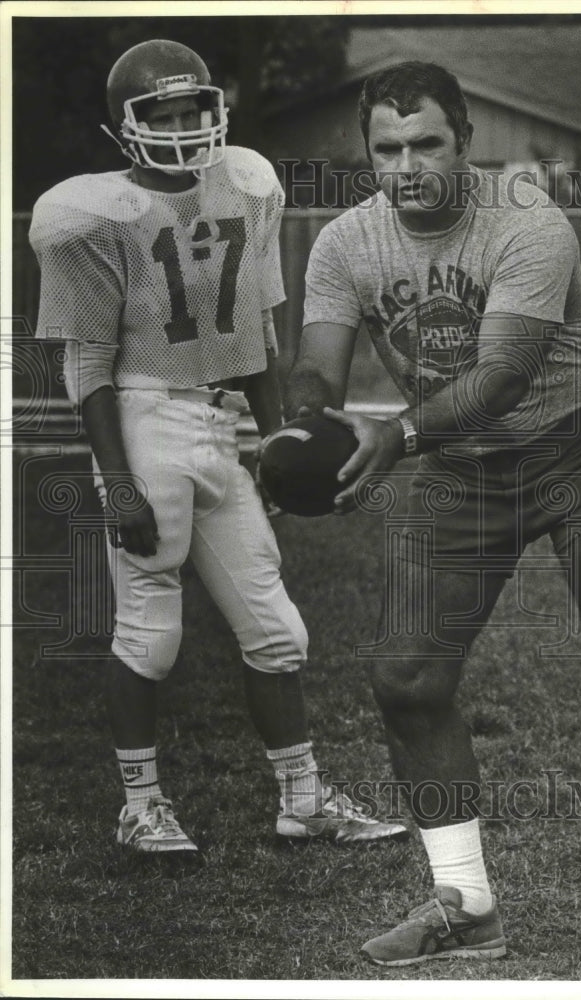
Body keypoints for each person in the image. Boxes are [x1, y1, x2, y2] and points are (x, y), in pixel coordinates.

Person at [284, 61, 581, 966]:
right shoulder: (345, 242)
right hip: (461, 468)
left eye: (426, 141)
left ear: (465, 141)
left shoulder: (526, 219)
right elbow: (317, 361)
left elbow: (503, 374)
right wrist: (309, 423)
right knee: (405, 678)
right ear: (368, 153)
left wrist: (391, 437)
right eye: (386, 148)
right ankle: (466, 907)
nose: (407, 164)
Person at [28, 39, 406, 856]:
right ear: (122, 126)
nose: (179, 127)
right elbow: (88, 364)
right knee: (149, 632)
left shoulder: (245, 183)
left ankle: (302, 801)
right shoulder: (90, 214)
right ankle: (141, 807)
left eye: (190, 109)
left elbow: (258, 332)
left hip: (218, 423)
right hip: (143, 419)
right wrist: (116, 479)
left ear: (215, 110)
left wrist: (276, 437)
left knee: (276, 628)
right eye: (158, 113)